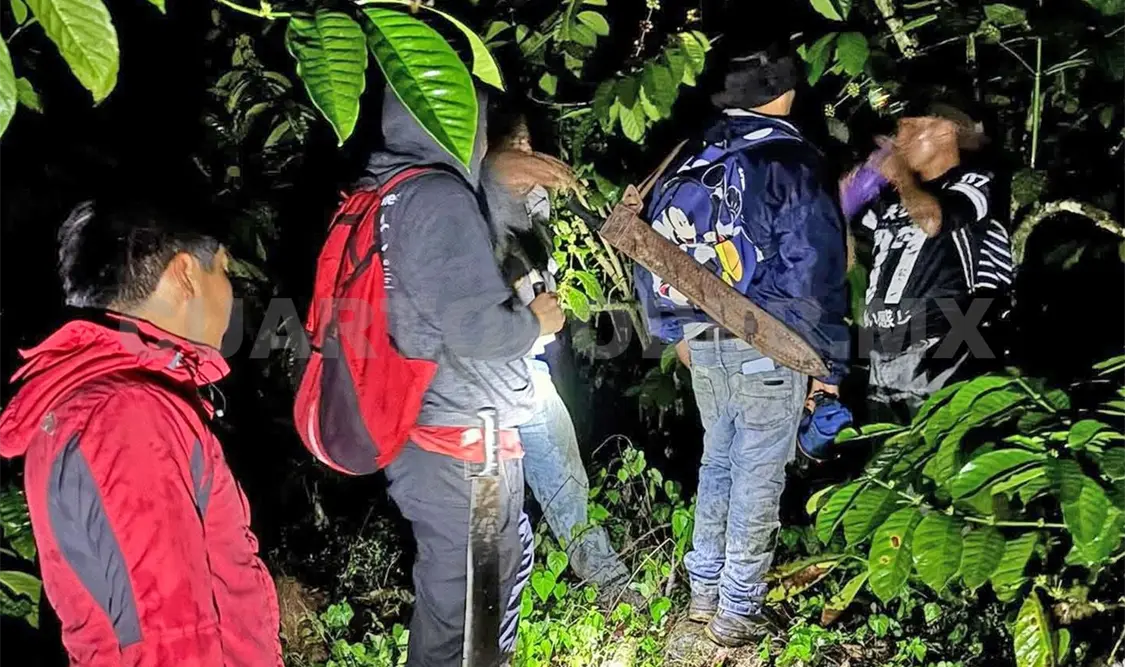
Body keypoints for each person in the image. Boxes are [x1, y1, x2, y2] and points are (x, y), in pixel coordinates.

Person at [0, 196, 282, 665]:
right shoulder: (128, 416)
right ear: (186, 273)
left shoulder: (99, 402)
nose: (231, 293)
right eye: (224, 271)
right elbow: (171, 638)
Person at [634, 44, 850, 647]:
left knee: (720, 460)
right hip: (771, 339)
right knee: (758, 470)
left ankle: (702, 594)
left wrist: (674, 330)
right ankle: (737, 610)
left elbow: (651, 246)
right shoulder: (789, 159)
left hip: (702, 336)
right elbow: (814, 269)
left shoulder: (689, 155)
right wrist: (824, 363)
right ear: (787, 91)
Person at [362, 87, 565, 666]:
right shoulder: (440, 197)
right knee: (463, 607)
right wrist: (535, 322)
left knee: (493, 576)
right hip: (458, 439)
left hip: (435, 424)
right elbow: (478, 330)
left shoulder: (389, 189)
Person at [482, 118, 633, 593]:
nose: (526, 152)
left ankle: (610, 584)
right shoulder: (475, 197)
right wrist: (552, 171)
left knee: (567, 482)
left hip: (528, 370)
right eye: (516, 142)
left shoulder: (536, 210)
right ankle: (490, 602)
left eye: (531, 142)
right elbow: (495, 171)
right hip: (482, 382)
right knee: (491, 508)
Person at [840, 101, 1011, 421]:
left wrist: (901, 175)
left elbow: (933, 222)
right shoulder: (891, 202)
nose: (898, 141)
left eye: (910, 128)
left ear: (945, 130)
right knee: (887, 450)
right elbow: (848, 261)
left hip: (948, 350)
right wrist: (844, 207)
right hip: (884, 352)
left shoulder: (975, 183)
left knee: (938, 446)